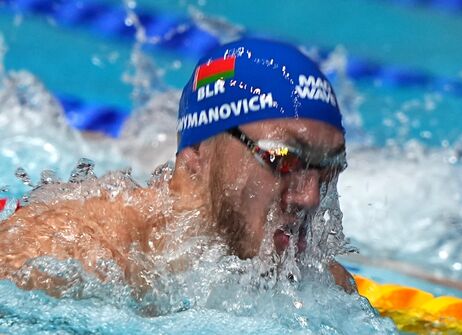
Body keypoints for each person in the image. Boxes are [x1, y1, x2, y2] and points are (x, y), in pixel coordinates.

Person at [0, 38, 355, 298]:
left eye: (328, 169)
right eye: (283, 158)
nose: (309, 196)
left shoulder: (323, 285)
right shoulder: (68, 254)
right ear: (197, 152)